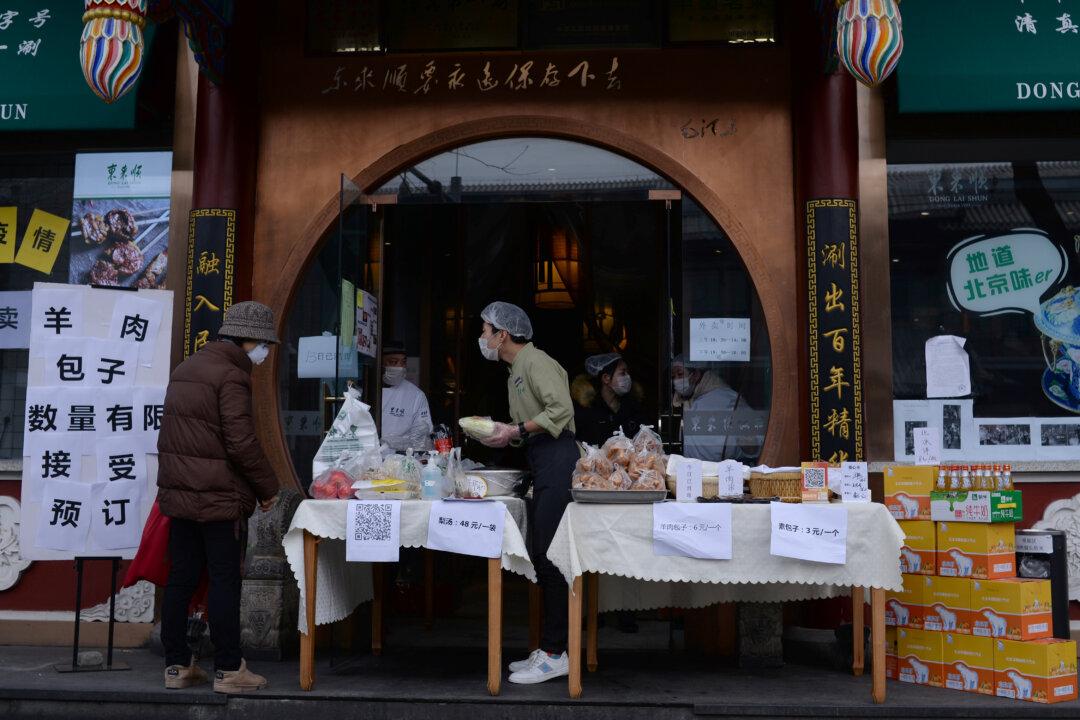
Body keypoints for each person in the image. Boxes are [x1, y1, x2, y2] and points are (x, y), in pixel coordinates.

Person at [156, 301, 280, 694]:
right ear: (248, 340)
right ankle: (229, 669)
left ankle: (176, 665)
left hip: (180, 496)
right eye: (264, 345)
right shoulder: (231, 377)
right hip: (218, 500)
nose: (265, 354)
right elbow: (241, 443)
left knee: (181, 579)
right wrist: (268, 488)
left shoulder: (185, 369)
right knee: (225, 581)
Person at [474, 301, 578, 684]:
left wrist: (515, 430)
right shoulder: (515, 370)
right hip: (540, 458)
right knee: (540, 554)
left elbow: (561, 411)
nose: (482, 337)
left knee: (550, 556)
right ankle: (550, 647)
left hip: (558, 458)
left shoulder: (536, 362)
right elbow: (525, 428)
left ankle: (556, 653)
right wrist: (503, 432)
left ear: (503, 334)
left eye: (485, 330)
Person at [672, 355, 741, 462]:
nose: (676, 380)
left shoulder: (725, 398)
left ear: (695, 375)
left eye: (680, 374)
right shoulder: (690, 399)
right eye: (673, 376)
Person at [573, 352, 648, 447]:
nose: (628, 377)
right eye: (622, 373)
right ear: (606, 378)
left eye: (628, 372)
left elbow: (647, 436)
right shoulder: (588, 409)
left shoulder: (633, 406)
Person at [379, 340, 433, 452]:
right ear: (381, 362)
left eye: (403, 362)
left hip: (400, 460)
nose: (400, 367)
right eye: (393, 362)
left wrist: (400, 446)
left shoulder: (416, 395)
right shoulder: (367, 390)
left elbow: (421, 436)